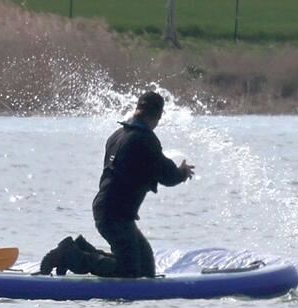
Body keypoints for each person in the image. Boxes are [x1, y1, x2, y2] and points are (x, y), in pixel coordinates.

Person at [41, 91, 193, 278]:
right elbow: (167, 175)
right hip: (115, 215)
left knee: (145, 269)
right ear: (159, 116)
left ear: (138, 109)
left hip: (112, 211)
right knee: (129, 272)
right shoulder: (145, 140)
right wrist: (183, 172)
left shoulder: (118, 135)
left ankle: (79, 249)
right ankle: (71, 256)